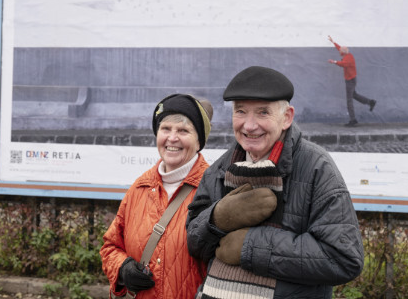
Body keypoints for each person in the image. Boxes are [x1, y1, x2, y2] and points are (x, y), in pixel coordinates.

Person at [186, 66, 364, 299]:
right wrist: (215, 219)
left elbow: (343, 258)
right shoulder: (220, 168)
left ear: (287, 117)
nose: (249, 125)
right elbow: (194, 242)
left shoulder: (317, 167)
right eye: (240, 111)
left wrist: (251, 247)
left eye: (262, 113)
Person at [100, 93, 213, 298]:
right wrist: (122, 269)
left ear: (199, 141)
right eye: (165, 128)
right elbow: (111, 246)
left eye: (183, 130)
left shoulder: (214, 189)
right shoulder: (139, 188)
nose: (172, 138)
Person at [327, 35, 376, 127]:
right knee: (355, 95)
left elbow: (344, 64)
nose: (339, 52)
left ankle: (353, 119)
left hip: (350, 81)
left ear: (343, 52)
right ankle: (370, 102)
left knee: (349, 100)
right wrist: (333, 42)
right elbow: (339, 48)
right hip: (351, 80)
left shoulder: (348, 58)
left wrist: (334, 62)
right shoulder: (347, 54)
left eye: (340, 51)